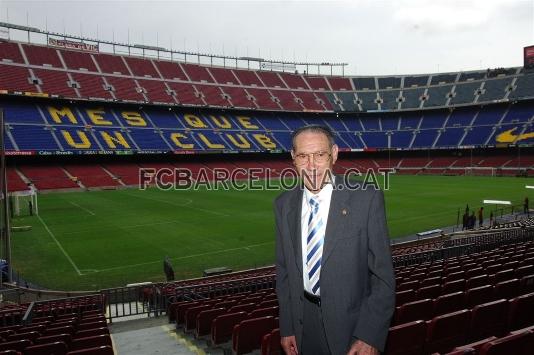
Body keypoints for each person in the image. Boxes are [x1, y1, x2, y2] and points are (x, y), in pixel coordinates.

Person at [274, 125, 395, 355]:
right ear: (293, 158)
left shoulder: (367, 199)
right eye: (303, 156)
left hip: (352, 326)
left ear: (334, 154)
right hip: (302, 323)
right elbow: (284, 273)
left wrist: (370, 336)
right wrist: (287, 326)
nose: (311, 166)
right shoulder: (283, 204)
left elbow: (383, 278)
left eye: (320, 154)